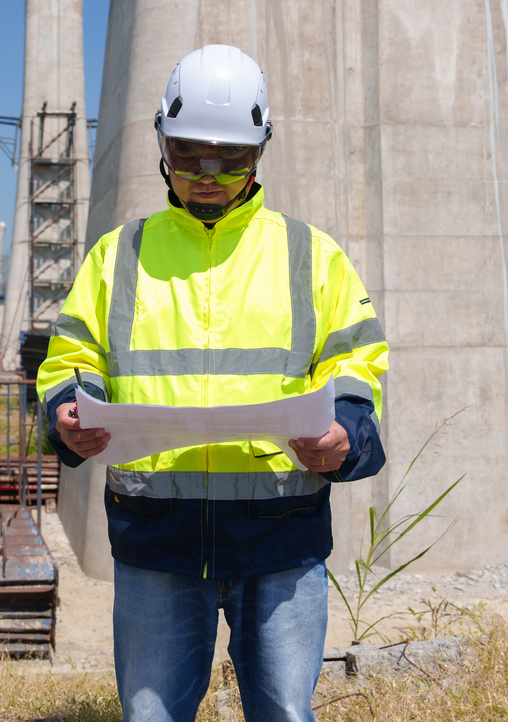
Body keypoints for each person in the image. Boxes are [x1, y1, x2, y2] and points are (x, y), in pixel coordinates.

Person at [37, 44, 388, 722]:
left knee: (285, 713)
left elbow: (357, 368)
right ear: (161, 140)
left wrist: (346, 434)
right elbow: (69, 361)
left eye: (230, 157)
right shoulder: (118, 256)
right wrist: (65, 416)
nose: (207, 172)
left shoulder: (310, 256)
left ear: (261, 150)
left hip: (279, 537)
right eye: (190, 151)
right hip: (156, 539)